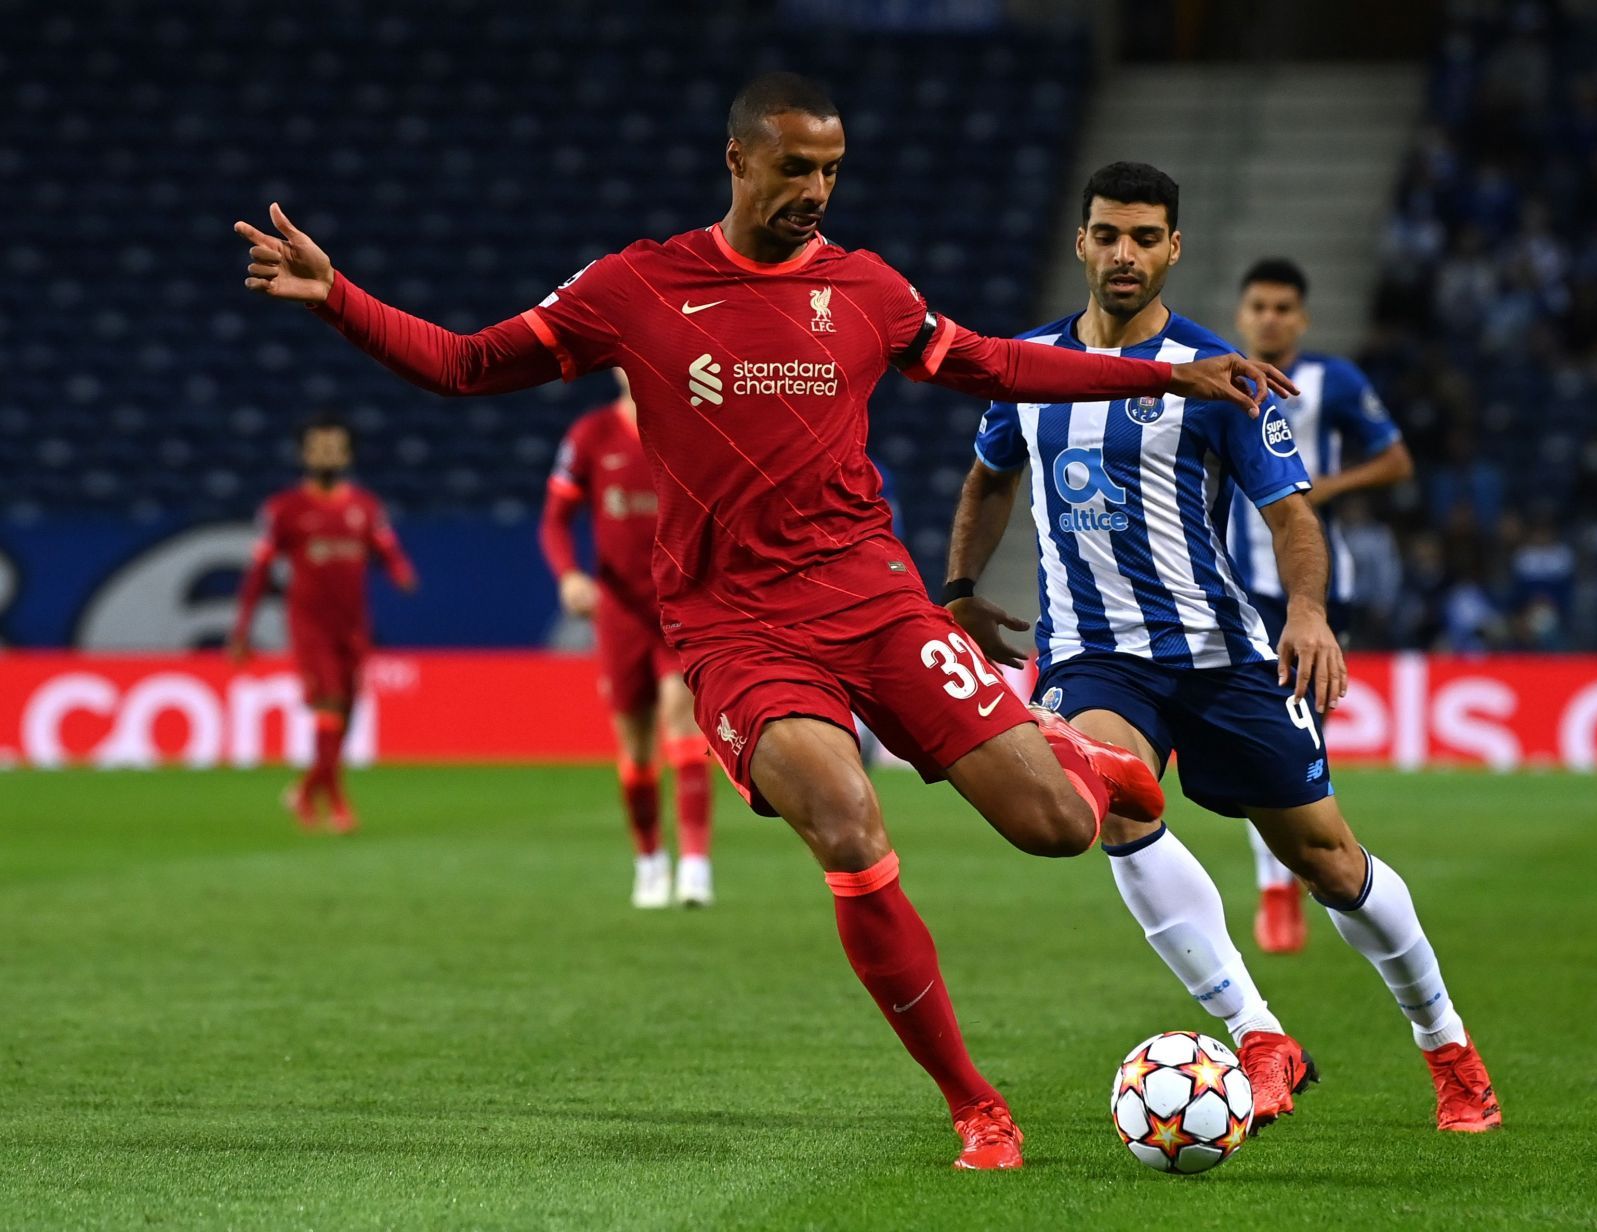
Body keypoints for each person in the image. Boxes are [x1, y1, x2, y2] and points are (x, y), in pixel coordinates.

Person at [232, 72, 1292, 1170]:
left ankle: (1067, 754)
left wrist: (1159, 378)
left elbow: (990, 358)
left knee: (1058, 827)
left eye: (831, 169)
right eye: (796, 168)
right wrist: (339, 295)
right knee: (845, 820)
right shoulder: (636, 284)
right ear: (738, 159)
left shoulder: (867, 287)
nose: (816, 191)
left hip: (874, 597)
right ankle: (976, 1103)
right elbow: (463, 364)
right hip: (735, 625)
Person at [946, 162, 1501, 1134]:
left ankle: (1449, 1047)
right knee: (1114, 798)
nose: (1125, 253)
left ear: (1174, 247)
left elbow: (1290, 515)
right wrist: (960, 588)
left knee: (1330, 860)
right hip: (1092, 654)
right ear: (1080, 242)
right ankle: (1256, 1029)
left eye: (1146, 236)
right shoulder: (1024, 367)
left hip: (1222, 653)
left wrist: (1307, 610)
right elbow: (989, 476)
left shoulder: (1216, 375)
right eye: (1108, 234)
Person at [1227, 258, 1414, 954]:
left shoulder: (1333, 381)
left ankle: (1291, 876)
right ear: (1243, 315)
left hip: (1312, 587)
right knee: (1268, 739)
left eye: (1283, 308)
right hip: (1239, 587)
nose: (1270, 318)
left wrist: (1323, 491)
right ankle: (1278, 887)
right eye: (1259, 307)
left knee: (1300, 740)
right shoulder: (1216, 377)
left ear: (1300, 318)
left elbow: (1395, 459)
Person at [542, 368, 714, 908]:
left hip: (679, 607)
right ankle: (649, 860)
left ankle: (695, 864)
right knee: (636, 752)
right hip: (619, 614)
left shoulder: (693, 428)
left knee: (681, 723)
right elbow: (554, 520)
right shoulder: (590, 435)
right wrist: (569, 573)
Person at [229, 414, 417, 833]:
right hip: (310, 625)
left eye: (334, 447)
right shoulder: (284, 510)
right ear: (304, 454)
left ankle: (306, 788)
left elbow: (387, 549)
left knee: (345, 716)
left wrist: (401, 571)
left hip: (352, 625)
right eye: (318, 447)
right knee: (329, 703)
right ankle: (337, 801)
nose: (326, 454)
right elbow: (258, 573)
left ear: (347, 454)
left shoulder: (366, 507)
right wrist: (242, 630)